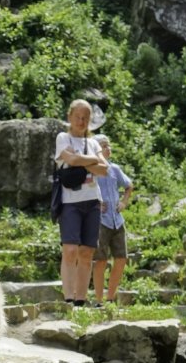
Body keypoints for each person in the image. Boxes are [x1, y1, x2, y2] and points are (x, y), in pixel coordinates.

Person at [54, 99, 108, 307]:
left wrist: (79, 158)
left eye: (85, 117)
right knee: (69, 250)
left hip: (93, 201)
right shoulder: (62, 137)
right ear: (70, 117)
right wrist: (92, 160)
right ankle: (68, 297)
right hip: (70, 202)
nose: (81, 120)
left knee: (87, 252)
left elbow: (104, 170)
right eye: (78, 116)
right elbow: (72, 160)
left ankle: (80, 299)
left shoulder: (94, 143)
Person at [91, 134, 134, 305]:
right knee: (100, 260)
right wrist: (95, 204)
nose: (108, 148)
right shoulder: (91, 169)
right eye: (104, 145)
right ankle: (99, 301)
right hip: (101, 221)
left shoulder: (115, 169)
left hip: (118, 220)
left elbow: (129, 185)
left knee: (121, 259)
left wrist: (124, 202)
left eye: (108, 145)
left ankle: (110, 298)